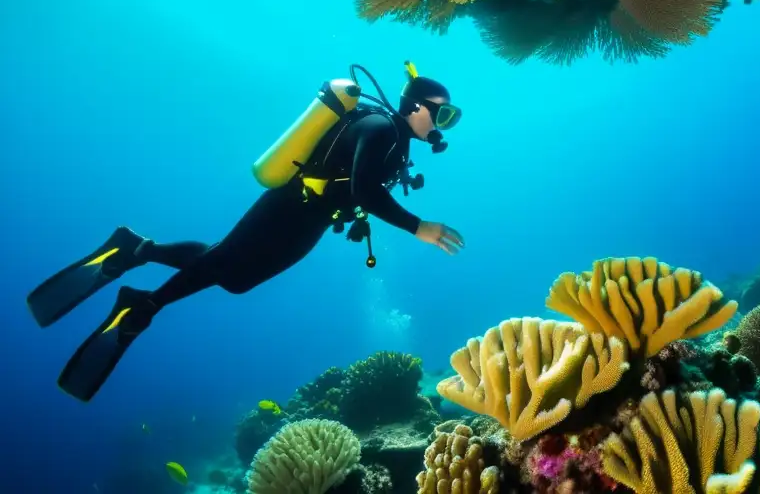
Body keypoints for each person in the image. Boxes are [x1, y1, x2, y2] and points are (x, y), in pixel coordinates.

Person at [27, 61, 464, 402]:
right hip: (290, 207)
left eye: (449, 115)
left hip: (310, 217)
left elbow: (361, 190)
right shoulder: (380, 127)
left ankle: (136, 250)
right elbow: (364, 190)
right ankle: (144, 305)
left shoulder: (394, 139)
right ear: (415, 107)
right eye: (441, 112)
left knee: (237, 277)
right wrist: (417, 226)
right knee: (223, 262)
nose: (442, 123)